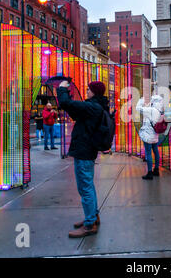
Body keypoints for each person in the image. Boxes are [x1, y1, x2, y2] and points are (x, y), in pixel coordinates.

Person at [57, 80, 109, 238]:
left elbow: (65, 103)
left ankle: (89, 224)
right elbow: (74, 111)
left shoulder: (93, 107)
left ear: (94, 91)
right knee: (88, 186)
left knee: (85, 188)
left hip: (84, 152)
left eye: (88, 89)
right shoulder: (95, 106)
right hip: (87, 151)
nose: (86, 91)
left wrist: (61, 89)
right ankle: (93, 216)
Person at [136, 95, 164, 180]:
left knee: (148, 153)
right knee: (156, 151)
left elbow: (138, 108)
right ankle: (156, 170)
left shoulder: (151, 110)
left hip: (148, 135)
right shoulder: (159, 111)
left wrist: (141, 99)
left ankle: (149, 173)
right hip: (155, 135)